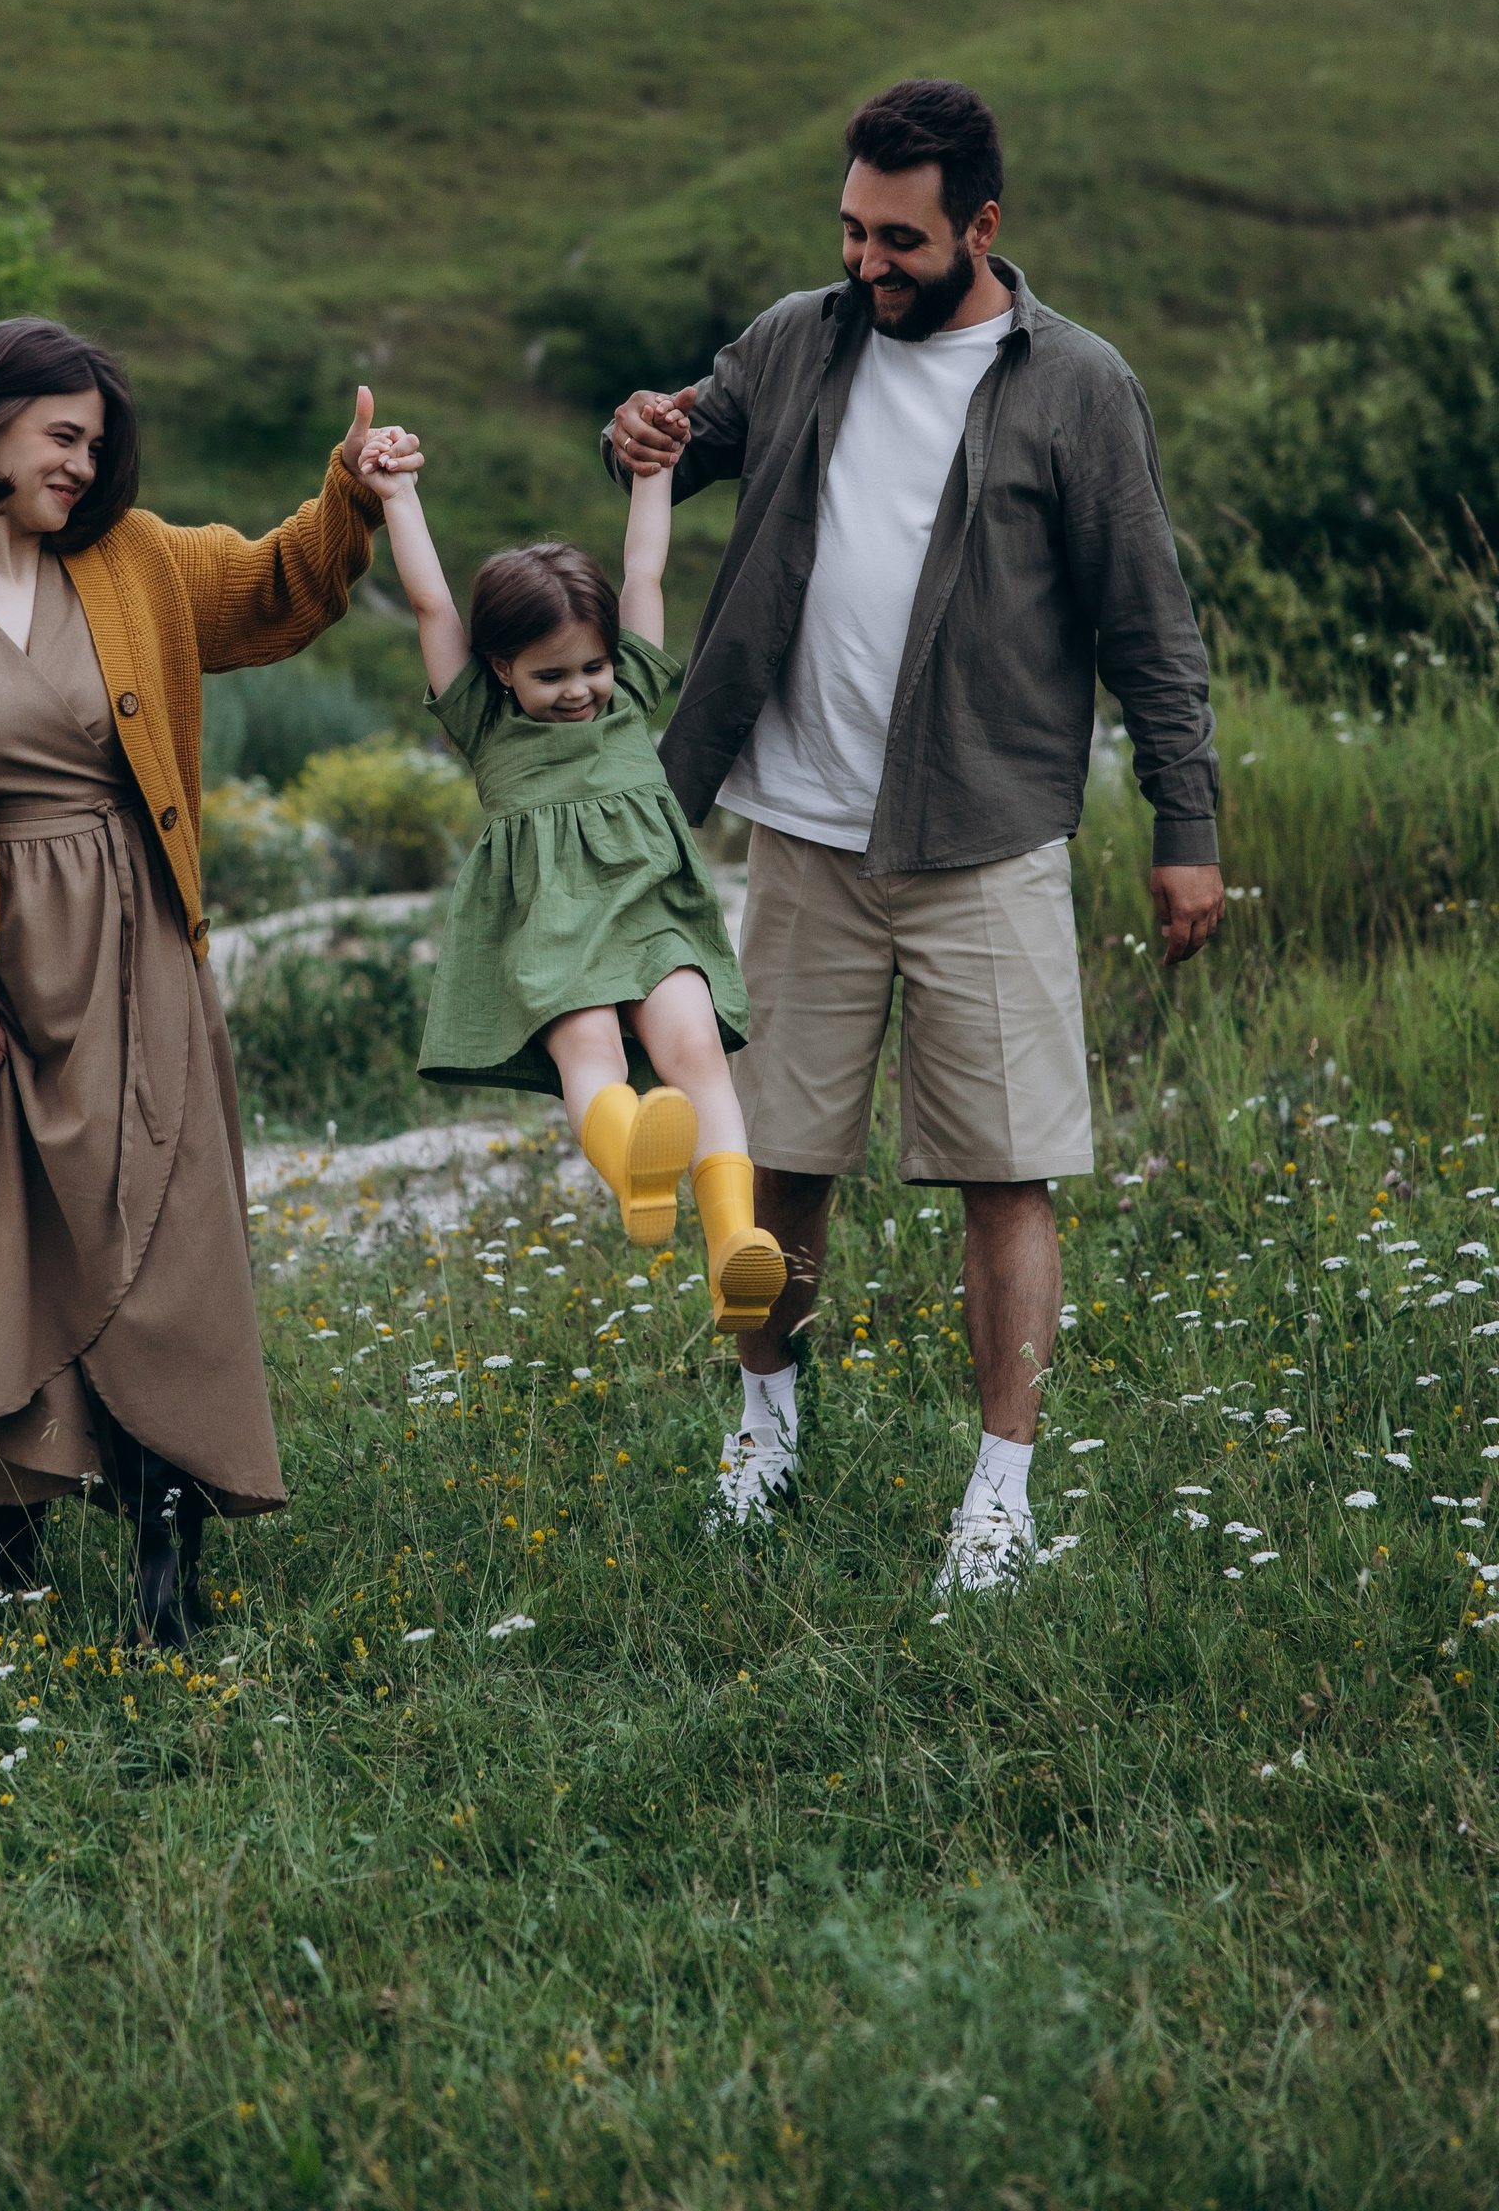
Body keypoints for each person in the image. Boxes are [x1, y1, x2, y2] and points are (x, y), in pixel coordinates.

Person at [608, 78, 1223, 1590]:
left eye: (899, 239)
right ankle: (766, 1433)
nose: (866, 262)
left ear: (982, 227)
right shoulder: (794, 339)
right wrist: (637, 432)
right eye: (852, 230)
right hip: (799, 836)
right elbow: (675, 447)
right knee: (773, 1162)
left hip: (985, 841)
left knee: (1007, 1173)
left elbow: (1150, 623)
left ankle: (1000, 1498)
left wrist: (1185, 819)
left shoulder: (1077, 385)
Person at [0, 314, 406, 1645]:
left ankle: (167, 1562)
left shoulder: (135, 563)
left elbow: (277, 587)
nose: (83, 464)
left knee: (166, 1243)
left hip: (133, 955)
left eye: (96, 444)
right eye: (64, 437)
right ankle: (7, 1529)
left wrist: (348, 494)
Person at [354, 427, 785, 1330]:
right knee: (591, 1055)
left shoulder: (630, 694)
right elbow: (432, 604)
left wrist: (653, 476)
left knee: (696, 1051)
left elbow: (644, 572)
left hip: (653, 911)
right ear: (501, 670)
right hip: (551, 926)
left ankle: (734, 1242)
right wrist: (398, 497)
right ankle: (634, 1164)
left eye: (592, 666)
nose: (581, 689)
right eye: (551, 676)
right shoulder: (484, 723)